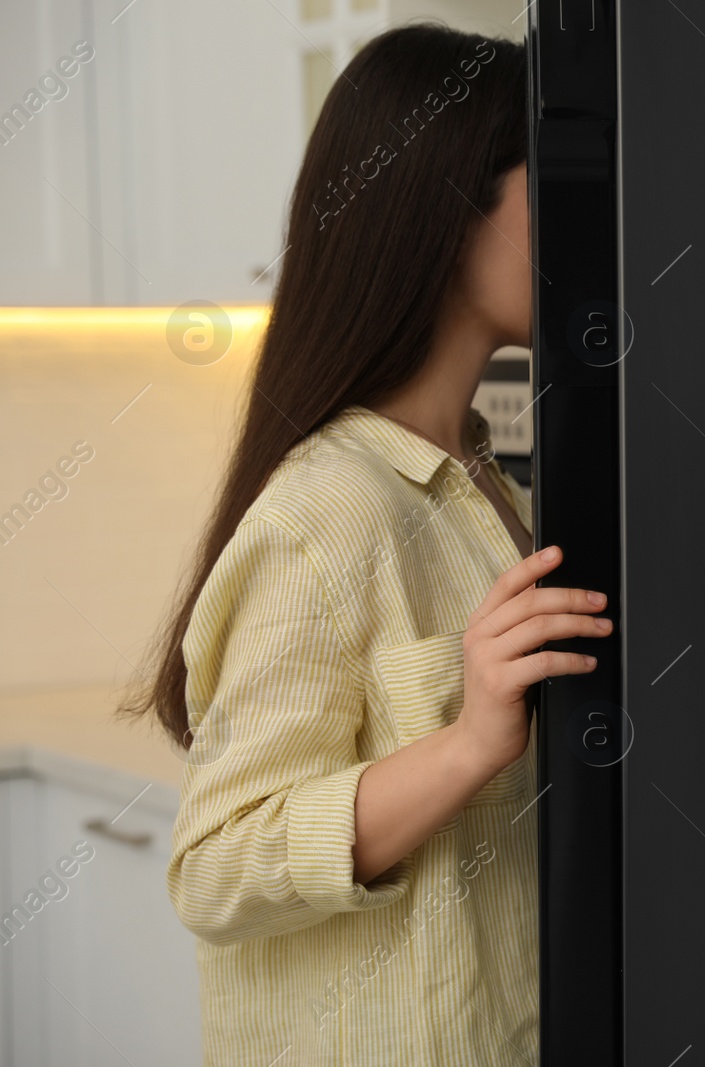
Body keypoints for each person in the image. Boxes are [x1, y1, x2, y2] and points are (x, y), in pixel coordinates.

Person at [116, 27, 598, 1064]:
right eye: (544, 179)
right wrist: (469, 741)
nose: (579, 218)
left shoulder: (477, 474)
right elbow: (213, 868)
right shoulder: (327, 511)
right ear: (451, 203)